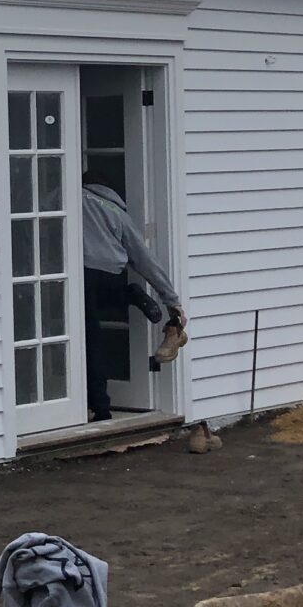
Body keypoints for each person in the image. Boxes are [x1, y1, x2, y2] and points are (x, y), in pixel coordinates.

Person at [80, 170, 184, 421]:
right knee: (101, 311)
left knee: (90, 339)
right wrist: (171, 300)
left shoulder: (71, 199)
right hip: (111, 274)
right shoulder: (118, 213)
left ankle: (101, 408)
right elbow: (144, 259)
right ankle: (126, 294)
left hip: (81, 273)